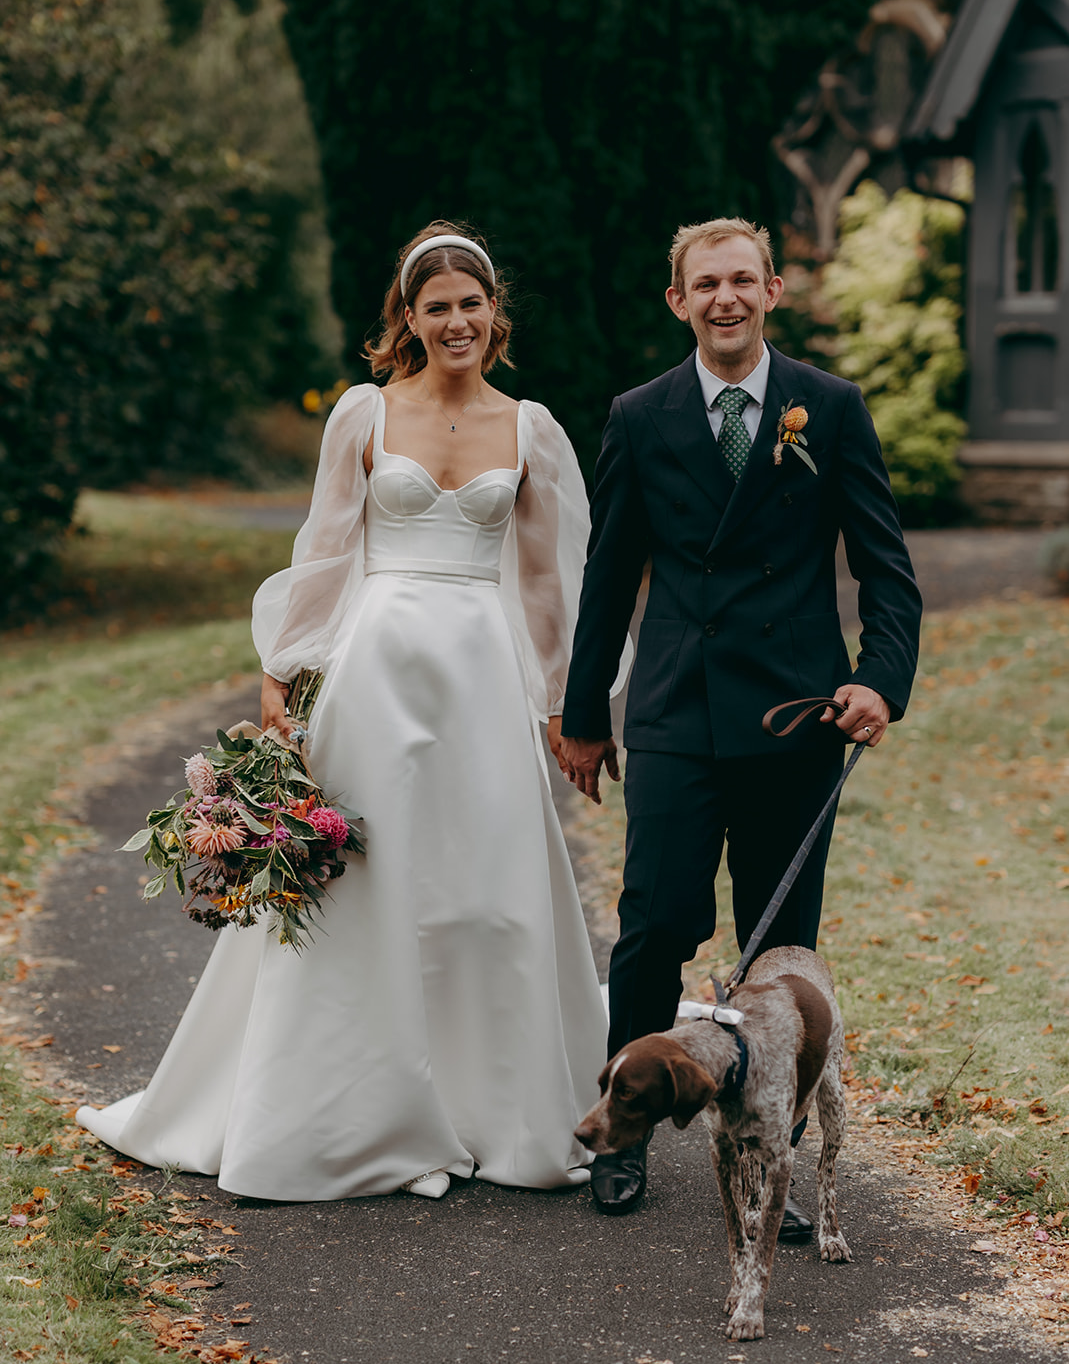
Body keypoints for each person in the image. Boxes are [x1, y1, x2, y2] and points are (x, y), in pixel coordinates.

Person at [78, 221, 612, 1201]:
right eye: (436, 305)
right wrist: (284, 669)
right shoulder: (363, 414)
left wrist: (564, 703)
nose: (456, 320)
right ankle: (344, 1111)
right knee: (370, 886)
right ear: (406, 318)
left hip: (483, 685)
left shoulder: (530, 427)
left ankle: (493, 1107)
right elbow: (325, 548)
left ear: (496, 314)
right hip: (376, 676)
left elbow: (548, 579)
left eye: (471, 303)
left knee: (488, 892)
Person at [558, 217, 922, 1226]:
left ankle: (772, 1156)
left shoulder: (832, 409)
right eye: (703, 283)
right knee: (654, 923)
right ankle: (620, 1130)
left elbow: (886, 571)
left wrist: (879, 679)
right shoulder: (639, 415)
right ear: (678, 300)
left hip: (793, 716)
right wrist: (587, 714)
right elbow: (607, 581)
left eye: (741, 280)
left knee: (777, 956)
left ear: (770, 292)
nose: (724, 298)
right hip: (676, 709)